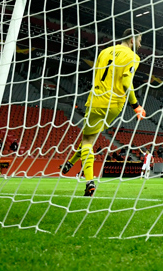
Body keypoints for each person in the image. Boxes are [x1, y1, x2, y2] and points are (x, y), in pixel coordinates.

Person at [61, 29, 147, 197]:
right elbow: (126, 81)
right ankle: (71, 163)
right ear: (131, 40)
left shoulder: (104, 52)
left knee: (87, 140)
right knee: (90, 138)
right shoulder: (132, 56)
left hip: (96, 100)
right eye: (139, 41)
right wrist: (136, 105)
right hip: (115, 104)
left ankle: (89, 181)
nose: (139, 44)